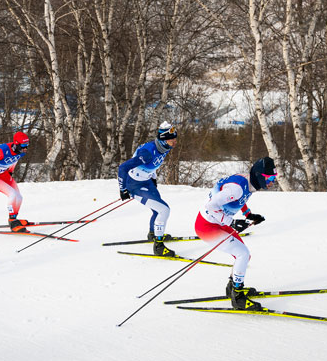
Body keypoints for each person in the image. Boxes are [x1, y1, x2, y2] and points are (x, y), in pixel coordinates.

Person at [195, 157, 274, 311]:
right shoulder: (236, 188)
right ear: (259, 175)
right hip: (207, 226)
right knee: (242, 254)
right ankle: (237, 297)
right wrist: (231, 222)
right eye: (269, 178)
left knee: (244, 256)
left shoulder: (248, 183)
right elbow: (210, 206)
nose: (272, 182)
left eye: (273, 178)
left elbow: (240, 199)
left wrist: (248, 214)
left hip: (220, 223)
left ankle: (232, 287)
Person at [117, 122, 178, 257]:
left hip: (147, 181)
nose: (174, 142)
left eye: (175, 139)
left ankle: (153, 234)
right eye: (171, 139)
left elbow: (154, 164)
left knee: (158, 209)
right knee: (164, 210)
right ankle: (158, 246)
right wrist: (123, 189)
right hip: (134, 185)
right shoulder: (147, 153)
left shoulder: (164, 147)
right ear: (163, 140)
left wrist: (153, 177)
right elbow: (123, 168)